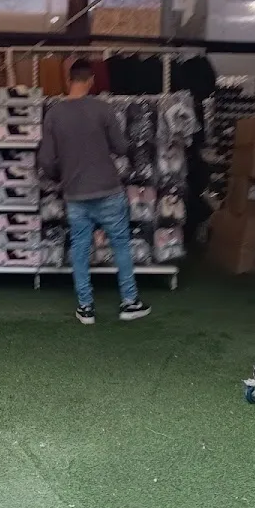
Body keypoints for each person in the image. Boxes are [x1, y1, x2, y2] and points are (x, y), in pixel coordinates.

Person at [37, 60, 150, 325]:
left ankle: (86, 307)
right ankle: (129, 302)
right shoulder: (103, 109)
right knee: (121, 245)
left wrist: (60, 176)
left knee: (79, 248)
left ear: (68, 81)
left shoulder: (54, 114)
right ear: (91, 81)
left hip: (75, 192)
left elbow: (46, 160)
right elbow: (121, 147)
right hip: (108, 188)